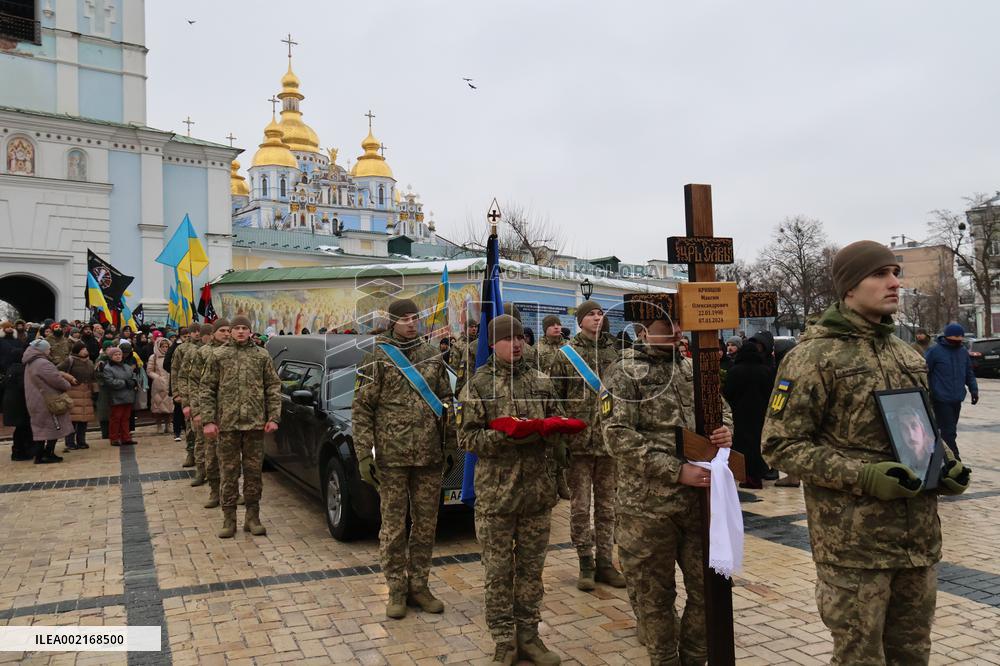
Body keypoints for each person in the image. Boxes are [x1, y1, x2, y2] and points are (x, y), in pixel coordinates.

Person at [762, 240, 971, 666]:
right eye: (880, 274)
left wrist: (945, 463)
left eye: (896, 272)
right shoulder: (814, 356)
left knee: (913, 653)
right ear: (848, 288)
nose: (895, 282)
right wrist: (863, 475)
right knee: (860, 657)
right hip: (855, 547)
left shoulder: (903, 352)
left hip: (918, 541)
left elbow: (923, 427)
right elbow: (780, 445)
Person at [602, 298, 733, 665]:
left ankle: (694, 658)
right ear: (643, 332)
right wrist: (675, 470)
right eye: (667, 326)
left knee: (708, 590)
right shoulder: (624, 373)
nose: (677, 331)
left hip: (697, 506)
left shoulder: (692, 368)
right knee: (654, 599)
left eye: (678, 322)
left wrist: (725, 432)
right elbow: (617, 435)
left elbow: (721, 409)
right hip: (647, 509)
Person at [458, 314, 565, 666]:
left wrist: (553, 431)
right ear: (492, 344)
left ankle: (530, 636)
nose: (517, 344)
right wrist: (507, 436)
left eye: (521, 337)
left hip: (536, 493)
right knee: (498, 573)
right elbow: (466, 437)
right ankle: (504, 641)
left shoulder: (542, 382)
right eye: (508, 338)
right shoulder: (478, 385)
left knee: (532, 572)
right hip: (496, 496)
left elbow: (558, 422)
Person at [352, 299, 453, 619]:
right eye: (404, 319)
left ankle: (419, 585)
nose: (411, 323)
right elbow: (362, 409)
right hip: (392, 457)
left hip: (429, 456)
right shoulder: (376, 358)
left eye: (415, 318)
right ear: (392, 322)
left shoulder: (432, 355)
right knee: (394, 527)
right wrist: (364, 455)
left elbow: (447, 401)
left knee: (426, 526)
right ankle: (396, 588)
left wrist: (450, 445)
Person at [548, 300, 625, 592]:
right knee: (580, 507)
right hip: (578, 443)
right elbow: (555, 399)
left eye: (599, 313)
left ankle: (606, 561)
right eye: (591, 314)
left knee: (608, 506)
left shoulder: (614, 352)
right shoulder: (565, 355)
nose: (597, 317)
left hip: (608, 441)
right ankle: (585, 563)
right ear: (580, 320)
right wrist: (560, 441)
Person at [200, 316, 281, 538]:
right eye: (237, 328)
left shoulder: (261, 355)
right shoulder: (219, 355)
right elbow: (207, 388)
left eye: (245, 328)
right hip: (227, 425)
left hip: (255, 425)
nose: (241, 332)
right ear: (231, 332)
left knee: (254, 473)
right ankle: (229, 519)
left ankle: (253, 518)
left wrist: (273, 417)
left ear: (250, 331)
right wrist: (208, 420)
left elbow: (273, 387)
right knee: (229, 472)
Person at [188, 319, 231, 508]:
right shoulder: (203, 353)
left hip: (232, 414)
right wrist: (197, 412)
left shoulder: (235, 352)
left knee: (231, 458)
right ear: (213, 333)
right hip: (211, 413)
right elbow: (195, 384)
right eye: (222, 330)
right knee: (212, 455)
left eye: (229, 330)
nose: (227, 334)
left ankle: (231, 492)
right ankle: (215, 491)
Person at [722, 336, 772, 489]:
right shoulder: (766, 370)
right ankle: (759, 472)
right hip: (760, 413)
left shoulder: (735, 370)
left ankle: (747, 475)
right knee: (758, 443)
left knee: (743, 444)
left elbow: (728, 392)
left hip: (741, 413)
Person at [924, 323, 978, 460]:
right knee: (948, 432)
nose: (958, 340)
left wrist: (974, 390)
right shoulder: (935, 351)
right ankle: (954, 458)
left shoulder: (963, 352)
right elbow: (924, 371)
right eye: (955, 337)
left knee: (949, 430)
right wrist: (928, 391)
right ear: (947, 337)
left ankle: (938, 457)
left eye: (960, 338)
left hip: (957, 397)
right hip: (941, 398)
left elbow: (969, 373)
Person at [535, 314, 572, 501]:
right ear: (545, 328)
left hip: (565, 399)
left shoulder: (569, 347)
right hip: (545, 399)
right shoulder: (538, 349)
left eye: (558, 324)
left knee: (561, 444)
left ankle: (561, 480)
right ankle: (551, 483)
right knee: (548, 445)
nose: (557, 327)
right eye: (552, 325)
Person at [22, 339, 73, 464]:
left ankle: (40, 455)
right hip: (47, 399)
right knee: (53, 426)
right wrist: (67, 384)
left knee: (41, 428)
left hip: (36, 399)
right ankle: (47, 454)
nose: (50, 350)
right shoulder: (42, 363)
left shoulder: (30, 362)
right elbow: (56, 379)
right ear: (43, 350)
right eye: (49, 348)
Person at [180, 324, 216, 488]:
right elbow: (186, 379)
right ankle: (201, 471)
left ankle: (217, 477)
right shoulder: (194, 353)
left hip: (219, 406)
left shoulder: (222, 352)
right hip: (200, 404)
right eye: (206, 334)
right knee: (201, 442)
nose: (209, 337)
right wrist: (189, 405)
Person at [170, 325, 203, 467]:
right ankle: (191, 453)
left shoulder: (206, 347)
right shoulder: (182, 349)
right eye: (193, 331)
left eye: (198, 331)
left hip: (204, 390)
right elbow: (175, 371)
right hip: (189, 392)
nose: (196, 334)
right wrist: (176, 392)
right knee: (190, 426)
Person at [58, 342, 96, 452]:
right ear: (77, 350)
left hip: (86, 392)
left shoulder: (89, 362)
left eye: (85, 349)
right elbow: (57, 370)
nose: (85, 351)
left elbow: (93, 377)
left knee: (84, 419)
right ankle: (70, 442)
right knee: (72, 419)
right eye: (82, 349)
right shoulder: (70, 360)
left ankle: (81, 441)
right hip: (73, 392)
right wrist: (69, 378)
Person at [101, 346, 137, 447]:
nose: (118, 356)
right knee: (116, 418)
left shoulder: (126, 366)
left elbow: (133, 375)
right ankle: (114, 438)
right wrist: (125, 383)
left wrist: (133, 382)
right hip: (116, 396)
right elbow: (110, 382)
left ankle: (126, 437)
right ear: (111, 356)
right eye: (115, 355)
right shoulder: (108, 368)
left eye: (119, 354)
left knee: (126, 418)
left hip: (128, 396)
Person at [146, 337, 173, 434]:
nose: (165, 348)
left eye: (167, 346)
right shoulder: (153, 357)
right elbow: (149, 371)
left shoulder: (171, 356)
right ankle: (158, 425)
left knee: (170, 407)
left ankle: (168, 424)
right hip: (158, 386)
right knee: (158, 406)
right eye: (163, 347)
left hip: (170, 383)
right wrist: (158, 378)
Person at [451, 319, 480, 392]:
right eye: (471, 327)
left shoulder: (480, 343)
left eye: (475, 327)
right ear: (466, 329)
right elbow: (453, 367)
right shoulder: (458, 345)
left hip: (478, 378)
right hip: (464, 382)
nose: (474, 329)